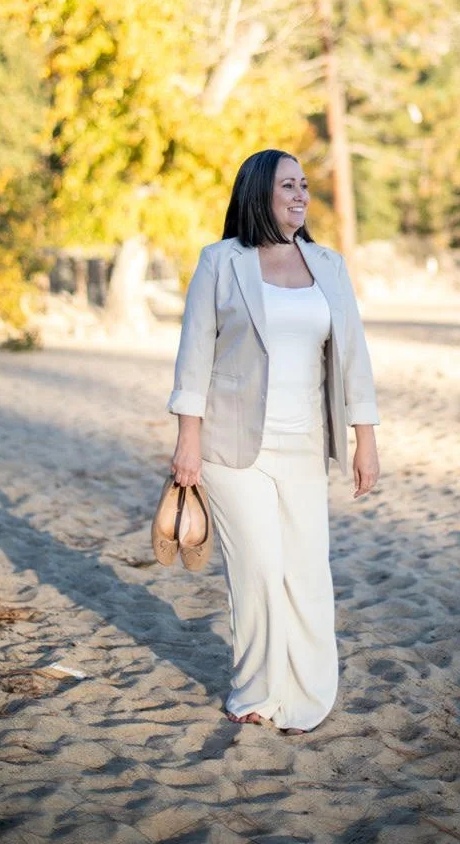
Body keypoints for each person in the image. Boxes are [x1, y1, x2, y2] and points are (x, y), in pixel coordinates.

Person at [166, 148, 380, 734]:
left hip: (307, 444)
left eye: (305, 185)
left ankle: (309, 694)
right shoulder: (221, 262)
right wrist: (187, 439)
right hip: (234, 448)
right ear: (259, 191)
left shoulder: (329, 265)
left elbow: (354, 356)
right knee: (259, 569)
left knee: (307, 569)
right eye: (288, 184)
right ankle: (256, 691)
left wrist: (366, 439)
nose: (301, 194)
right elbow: (195, 354)